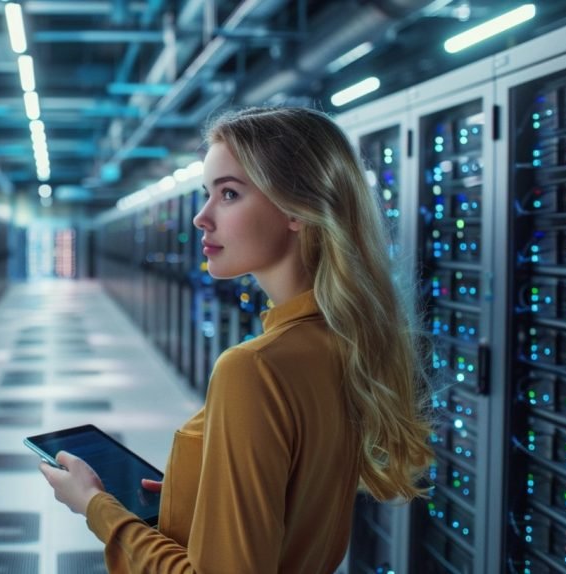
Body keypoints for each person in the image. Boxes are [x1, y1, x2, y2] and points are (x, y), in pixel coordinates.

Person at [39, 106, 435, 573]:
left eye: (229, 194)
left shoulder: (255, 367)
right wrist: (198, 499)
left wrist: (97, 507)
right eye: (207, 194)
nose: (201, 218)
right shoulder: (342, 343)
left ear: (296, 209)